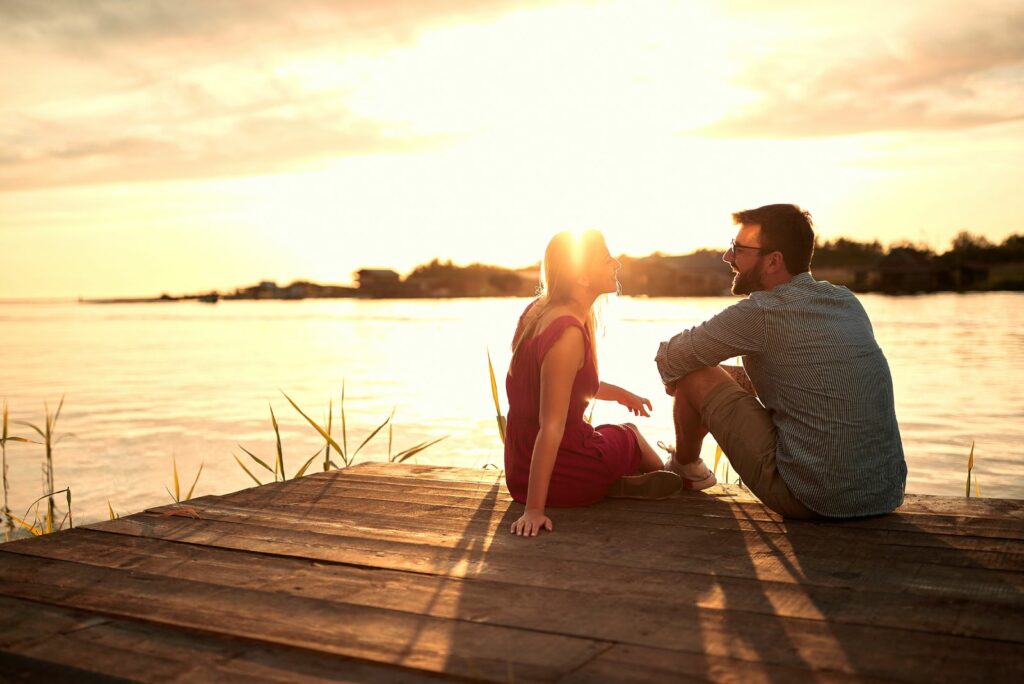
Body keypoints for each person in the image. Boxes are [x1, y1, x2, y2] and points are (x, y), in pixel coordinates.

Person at [656, 204, 907, 519]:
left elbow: (669, 358)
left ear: (774, 261)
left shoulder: (761, 312)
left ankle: (686, 471)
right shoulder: (845, 301)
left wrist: (681, 384)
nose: (727, 257)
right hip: (884, 494)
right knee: (703, 370)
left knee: (694, 374)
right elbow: (806, 377)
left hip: (813, 499)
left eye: (738, 249)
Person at [506, 229, 683, 536]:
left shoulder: (536, 312)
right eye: (606, 259)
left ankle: (618, 484)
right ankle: (676, 475)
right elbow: (551, 427)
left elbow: (558, 387)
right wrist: (534, 510)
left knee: (607, 434)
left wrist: (620, 394)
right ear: (583, 279)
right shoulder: (568, 333)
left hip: (520, 472)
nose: (616, 263)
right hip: (562, 477)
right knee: (629, 434)